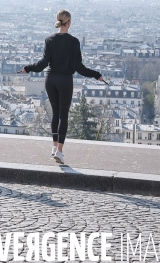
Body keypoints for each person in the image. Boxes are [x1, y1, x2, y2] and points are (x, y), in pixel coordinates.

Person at [20, 10, 103, 165]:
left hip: (50, 79)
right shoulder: (74, 42)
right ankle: (60, 150)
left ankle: (53, 147)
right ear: (69, 22)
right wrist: (96, 74)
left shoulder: (49, 40)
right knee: (63, 116)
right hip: (65, 80)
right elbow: (79, 67)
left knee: (55, 114)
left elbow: (43, 64)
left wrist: (28, 68)